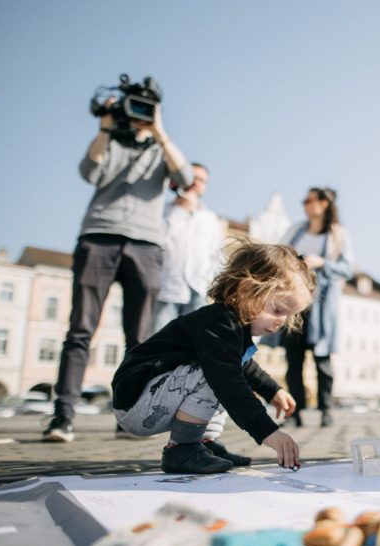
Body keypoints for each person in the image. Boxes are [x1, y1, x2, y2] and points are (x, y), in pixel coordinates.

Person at [43, 95, 194, 443]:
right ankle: (62, 417)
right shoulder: (109, 141)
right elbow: (90, 172)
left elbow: (185, 177)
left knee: (139, 339)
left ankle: (129, 417)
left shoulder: (161, 149)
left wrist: (159, 132)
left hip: (146, 244)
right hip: (99, 237)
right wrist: (105, 129)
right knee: (80, 330)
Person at [111, 241, 312, 474]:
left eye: (288, 316)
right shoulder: (218, 323)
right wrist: (269, 432)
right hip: (137, 401)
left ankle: (203, 444)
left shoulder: (233, 328)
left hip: (151, 399)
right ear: (246, 290)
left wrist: (272, 390)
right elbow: (230, 381)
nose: (281, 322)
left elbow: (246, 366)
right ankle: (182, 449)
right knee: (221, 377)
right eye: (278, 310)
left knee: (226, 371)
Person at [279, 187, 354, 427]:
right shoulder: (296, 230)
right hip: (293, 303)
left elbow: (347, 268)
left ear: (324, 204)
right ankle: (295, 412)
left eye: (309, 200)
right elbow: (278, 255)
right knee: (293, 361)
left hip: (320, 307)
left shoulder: (337, 234)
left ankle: (326, 410)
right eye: (304, 200)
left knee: (322, 360)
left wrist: (322, 263)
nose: (305, 204)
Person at [151, 162, 224, 334]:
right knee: (159, 339)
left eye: (202, 180)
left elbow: (216, 255)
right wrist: (180, 209)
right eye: (193, 177)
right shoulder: (163, 211)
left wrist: (208, 281)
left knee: (193, 342)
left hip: (198, 290)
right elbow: (157, 241)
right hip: (167, 288)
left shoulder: (210, 218)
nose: (196, 183)